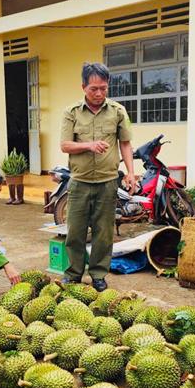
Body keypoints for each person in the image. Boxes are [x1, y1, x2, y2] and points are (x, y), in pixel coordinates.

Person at [59, 62, 136, 291]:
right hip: (80, 181)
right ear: (83, 87)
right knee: (75, 231)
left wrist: (131, 172)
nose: (99, 93)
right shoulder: (71, 112)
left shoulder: (118, 111)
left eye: (104, 88)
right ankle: (73, 274)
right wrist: (89, 145)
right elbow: (65, 145)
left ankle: (99, 275)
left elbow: (125, 143)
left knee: (103, 233)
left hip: (107, 182)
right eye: (94, 88)